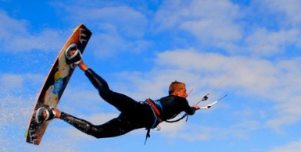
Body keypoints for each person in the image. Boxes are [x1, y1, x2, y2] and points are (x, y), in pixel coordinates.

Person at [36, 60, 200, 139]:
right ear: (177, 92)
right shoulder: (180, 101)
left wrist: (191, 108)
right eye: (184, 91)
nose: (186, 93)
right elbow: (190, 111)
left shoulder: (179, 102)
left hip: (133, 122)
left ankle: (56, 114)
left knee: (98, 133)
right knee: (106, 94)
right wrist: (194, 108)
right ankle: (80, 63)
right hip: (141, 111)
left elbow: (187, 110)